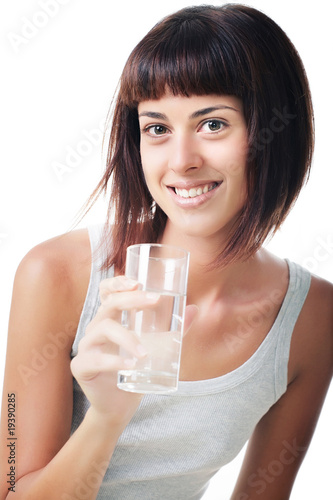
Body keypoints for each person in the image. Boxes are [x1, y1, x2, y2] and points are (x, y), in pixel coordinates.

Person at [0, 3, 332, 499]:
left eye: (213, 124)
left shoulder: (312, 316)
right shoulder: (57, 274)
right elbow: (10, 490)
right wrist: (106, 419)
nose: (181, 161)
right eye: (157, 128)